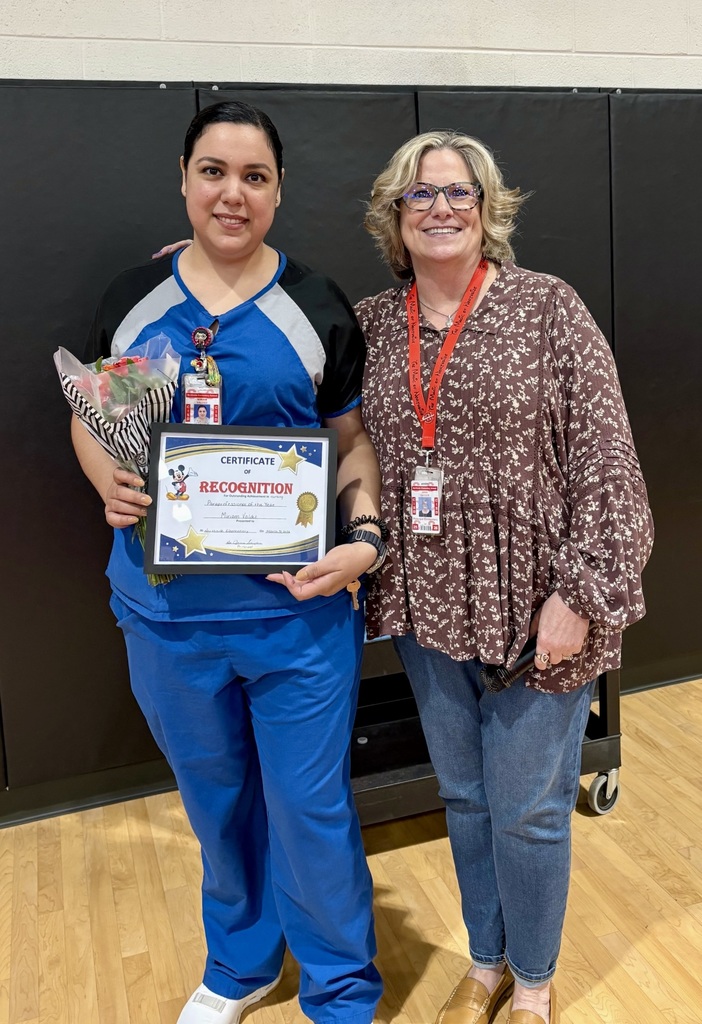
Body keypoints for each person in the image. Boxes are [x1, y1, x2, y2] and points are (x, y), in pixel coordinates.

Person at [71, 101, 385, 1024]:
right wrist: (108, 484)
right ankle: (242, 965)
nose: (232, 193)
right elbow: (94, 421)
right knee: (215, 803)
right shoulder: (135, 298)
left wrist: (363, 538)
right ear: (183, 177)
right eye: (214, 171)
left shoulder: (316, 307)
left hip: (297, 618)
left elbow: (353, 442)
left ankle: (339, 989)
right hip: (168, 617)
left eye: (254, 176)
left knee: (309, 811)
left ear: (279, 190)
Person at [353, 131, 654, 1024]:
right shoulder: (372, 323)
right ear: (393, 217)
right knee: (464, 796)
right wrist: (207, 285)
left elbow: (608, 453)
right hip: (427, 600)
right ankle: (484, 962)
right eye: (420, 195)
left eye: (459, 193)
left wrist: (582, 593)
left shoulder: (547, 307)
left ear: (488, 211)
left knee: (527, 810)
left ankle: (533, 985)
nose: (440, 208)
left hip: (541, 606)